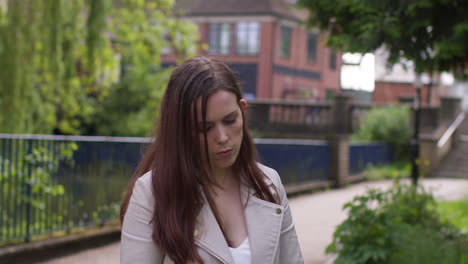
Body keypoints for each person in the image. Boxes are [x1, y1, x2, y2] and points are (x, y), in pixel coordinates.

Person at [120, 57, 304, 264]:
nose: (222, 137)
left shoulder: (269, 183)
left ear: (243, 110)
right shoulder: (151, 193)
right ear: (181, 130)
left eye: (230, 120)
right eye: (204, 128)